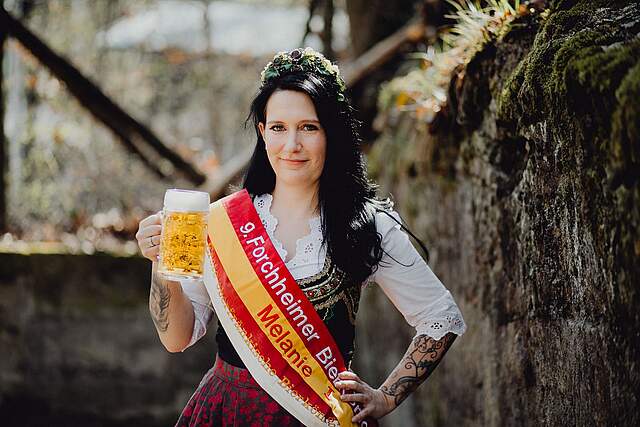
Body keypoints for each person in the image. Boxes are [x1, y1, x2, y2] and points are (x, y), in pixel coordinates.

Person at [136, 47, 467, 426]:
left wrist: (386, 397)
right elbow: (176, 337)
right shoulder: (221, 222)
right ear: (263, 132)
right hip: (228, 413)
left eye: (308, 127)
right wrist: (160, 265)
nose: (291, 144)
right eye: (278, 128)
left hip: (318, 416)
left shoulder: (367, 224)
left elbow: (440, 316)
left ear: (332, 133)